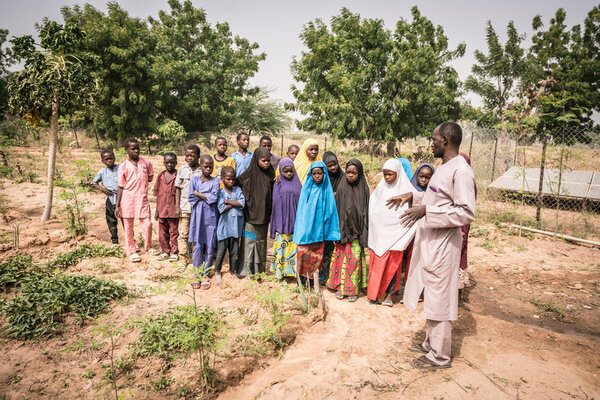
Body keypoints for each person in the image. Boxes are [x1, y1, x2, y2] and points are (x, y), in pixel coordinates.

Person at [388, 122, 476, 370]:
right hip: (431, 241)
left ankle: (440, 356)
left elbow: (465, 212)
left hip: (444, 245)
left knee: (439, 297)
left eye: (434, 139)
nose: (432, 143)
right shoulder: (444, 167)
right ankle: (430, 343)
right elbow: (435, 199)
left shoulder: (462, 171)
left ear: (446, 140)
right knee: (431, 292)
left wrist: (427, 210)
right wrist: (413, 197)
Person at [366, 159, 417, 306]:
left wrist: (398, 230)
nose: (387, 178)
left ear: (398, 174)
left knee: (392, 268)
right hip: (380, 236)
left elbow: (411, 214)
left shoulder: (407, 192)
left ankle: (388, 295)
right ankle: (373, 295)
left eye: (390, 174)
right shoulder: (380, 189)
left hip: (396, 237)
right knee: (377, 267)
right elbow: (374, 211)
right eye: (385, 174)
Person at [293, 161, 340, 293]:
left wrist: (331, 232)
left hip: (319, 232)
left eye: (319, 173)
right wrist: (301, 230)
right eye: (314, 174)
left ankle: (313, 284)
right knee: (302, 256)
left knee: (315, 259)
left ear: (324, 174)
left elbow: (331, 213)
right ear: (310, 175)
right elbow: (301, 212)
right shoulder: (307, 188)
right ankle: (301, 284)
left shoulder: (327, 191)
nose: (317, 176)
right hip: (306, 232)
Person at [327, 159, 369, 302]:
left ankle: (352, 289)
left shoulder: (364, 188)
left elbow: (366, 210)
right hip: (342, 231)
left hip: (356, 232)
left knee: (354, 261)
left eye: (354, 173)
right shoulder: (342, 187)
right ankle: (340, 286)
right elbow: (336, 210)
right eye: (348, 172)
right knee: (340, 259)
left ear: (359, 173)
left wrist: (363, 231)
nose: (350, 175)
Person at [235, 147, 275, 277]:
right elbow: (235, 183)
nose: (266, 163)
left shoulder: (271, 174)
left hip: (264, 216)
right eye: (263, 160)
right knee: (249, 242)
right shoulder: (248, 175)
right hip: (250, 216)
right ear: (256, 159)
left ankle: (259, 271)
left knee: (261, 243)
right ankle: (245, 270)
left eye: (268, 160)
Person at [115, 138, 155, 262]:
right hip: (127, 199)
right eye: (133, 149)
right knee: (128, 226)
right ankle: (132, 250)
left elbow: (149, 177)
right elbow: (121, 186)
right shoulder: (123, 166)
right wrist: (117, 205)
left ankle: (148, 247)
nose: (136, 151)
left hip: (142, 199)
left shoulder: (146, 163)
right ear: (127, 150)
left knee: (147, 224)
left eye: (137, 148)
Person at [188, 155, 220, 289]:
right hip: (197, 217)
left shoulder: (216, 181)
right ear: (200, 166)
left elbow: (214, 197)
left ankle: (206, 273)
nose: (208, 169)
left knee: (210, 245)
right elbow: (191, 196)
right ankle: (197, 273)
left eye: (210, 167)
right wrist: (200, 195)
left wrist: (199, 193)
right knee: (197, 245)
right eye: (205, 166)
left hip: (211, 217)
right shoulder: (194, 180)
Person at [269, 158, 302, 279]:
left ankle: (292, 273)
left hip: (295, 222)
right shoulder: (278, 183)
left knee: (293, 248)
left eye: (290, 171)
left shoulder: (298, 183)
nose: (288, 174)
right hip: (282, 223)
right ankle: (281, 272)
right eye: (285, 171)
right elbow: (276, 204)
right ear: (280, 171)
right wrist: (279, 223)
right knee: (283, 246)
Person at [215, 166, 245, 285]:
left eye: (233, 179)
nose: (231, 182)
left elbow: (242, 203)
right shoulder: (220, 192)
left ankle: (232, 270)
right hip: (224, 227)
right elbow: (221, 208)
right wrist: (235, 203)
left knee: (234, 251)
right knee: (221, 250)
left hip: (235, 227)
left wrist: (228, 202)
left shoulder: (237, 190)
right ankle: (218, 270)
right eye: (228, 179)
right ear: (222, 179)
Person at [175, 145, 203, 264]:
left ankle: (196, 258)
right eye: (187, 155)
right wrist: (177, 206)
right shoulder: (182, 170)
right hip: (185, 206)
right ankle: (183, 258)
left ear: (198, 157)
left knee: (197, 233)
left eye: (192, 155)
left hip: (198, 207)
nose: (189, 158)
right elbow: (178, 189)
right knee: (183, 233)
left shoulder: (202, 170)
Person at [319, 151, 344, 284]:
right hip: (324, 218)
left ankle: (334, 275)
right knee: (323, 248)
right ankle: (323, 274)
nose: (333, 168)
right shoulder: (322, 178)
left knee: (335, 248)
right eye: (329, 166)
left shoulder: (343, 177)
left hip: (338, 218)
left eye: (335, 164)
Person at [153, 152, 179, 261]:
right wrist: (156, 210)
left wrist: (178, 208)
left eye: (172, 162)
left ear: (176, 163)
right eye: (167, 162)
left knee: (174, 232)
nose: (169, 165)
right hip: (162, 209)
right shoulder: (160, 176)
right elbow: (158, 194)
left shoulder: (178, 175)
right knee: (162, 232)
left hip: (173, 209)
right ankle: (164, 251)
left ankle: (174, 252)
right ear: (164, 163)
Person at [91, 149, 120, 244]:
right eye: (106, 159)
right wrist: (104, 190)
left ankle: (131, 240)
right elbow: (94, 183)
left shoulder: (121, 168)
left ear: (114, 158)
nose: (109, 161)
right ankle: (114, 240)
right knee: (111, 220)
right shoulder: (102, 172)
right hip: (110, 198)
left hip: (122, 197)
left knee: (126, 219)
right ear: (103, 161)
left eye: (111, 158)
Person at [458, 153, 477, 297]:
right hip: (453, 222)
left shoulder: (467, 181)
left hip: (461, 223)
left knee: (460, 249)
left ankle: (457, 290)